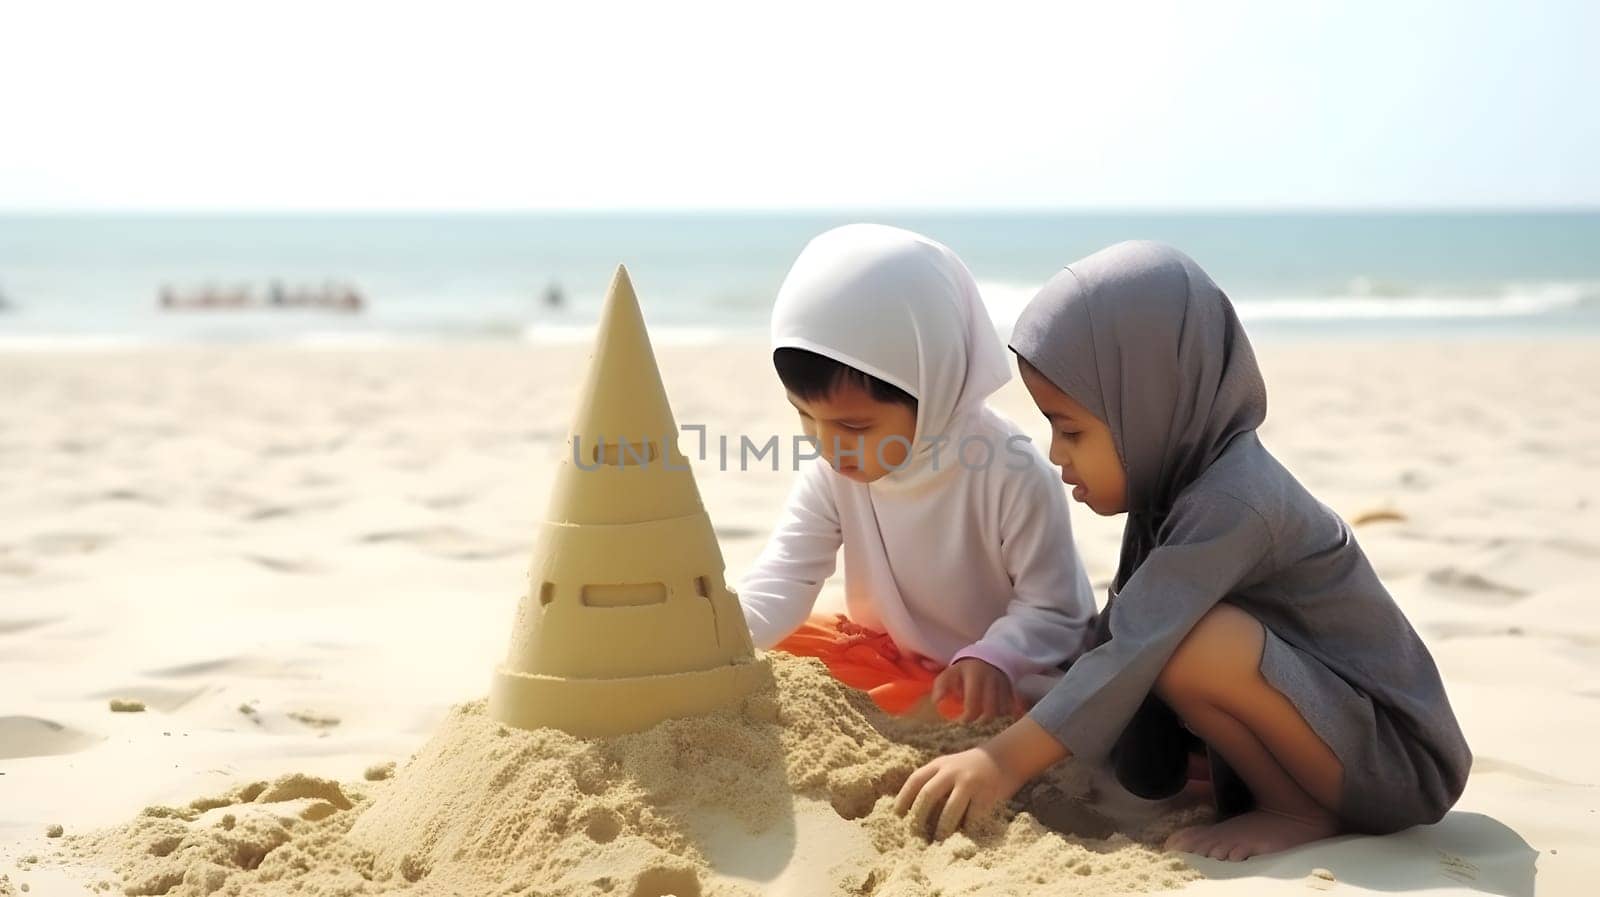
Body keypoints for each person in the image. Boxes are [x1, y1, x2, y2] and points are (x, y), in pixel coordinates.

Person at [893, 241, 1471, 859]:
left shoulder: (1236, 502)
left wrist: (1000, 762)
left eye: (1072, 429)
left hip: (1394, 761)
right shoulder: (1176, 484)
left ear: (1148, 403)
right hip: (1333, 731)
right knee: (1169, 644)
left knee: (1194, 643)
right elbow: (1120, 627)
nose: (1057, 454)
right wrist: (1046, 690)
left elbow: (1140, 642)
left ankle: (1296, 811)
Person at [738, 224, 1097, 724]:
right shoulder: (834, 467)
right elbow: (786, 574)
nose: (826, 443)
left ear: (933, 387)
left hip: (995, 671)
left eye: (855, 425)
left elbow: (1057, 612)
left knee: (987, 706)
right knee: (773, 646)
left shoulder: (1010, 471)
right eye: (804, 415)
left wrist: (992, 657)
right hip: (887, 653)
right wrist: (721, 638)